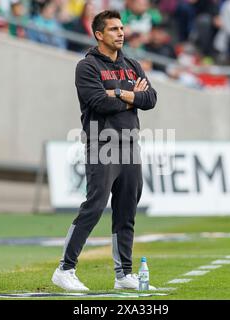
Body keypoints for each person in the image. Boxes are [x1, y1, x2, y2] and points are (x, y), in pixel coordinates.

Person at [51, 10, 157, 291]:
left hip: (131, 144)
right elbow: (99, 102)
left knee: (127, 209)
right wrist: (130, 95)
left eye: (121, 28)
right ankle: (65, 269)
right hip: (102, 144)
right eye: (113, 29)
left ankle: (124, 274)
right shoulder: (87, 67)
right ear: (99, 34)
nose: (120, 33)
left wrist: (119, 93)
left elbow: (151, 98)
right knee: (95, 206)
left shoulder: (132, 64)